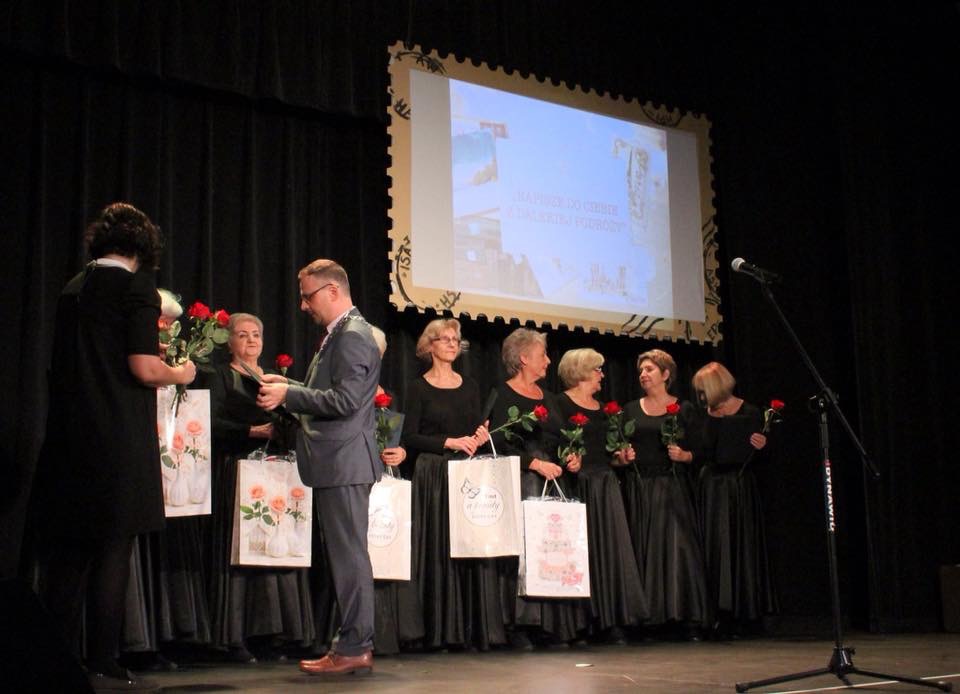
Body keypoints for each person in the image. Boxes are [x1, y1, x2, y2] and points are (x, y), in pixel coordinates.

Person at [34, 202, 196, 691]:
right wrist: (181, 373)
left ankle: (55, 660)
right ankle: (103, 660)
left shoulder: (74, 286)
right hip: (116, 435)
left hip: (69, 435)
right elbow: (143, 368)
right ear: (144, 248)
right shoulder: (135, 287)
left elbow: (89, 355)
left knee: (69, 555)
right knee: (112, 548)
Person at [257, 259, 381, 676]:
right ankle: (351, 644)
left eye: (308, 296)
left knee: (350, 559)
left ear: (332, 291)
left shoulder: (352, 336)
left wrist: (289, 396)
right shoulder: (342, 334)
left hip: (345, 462)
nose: (303, 306)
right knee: (346, 558)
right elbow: (331, 394)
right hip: (339, 462)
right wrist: (289, 386)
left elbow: (345, 401)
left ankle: (355, 647)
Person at [204, 312, 314, 663]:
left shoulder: (273, 379)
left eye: (256, 334)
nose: (251, 340)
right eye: (243, 334)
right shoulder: (220, 375)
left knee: (276, 546)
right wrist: (252, 431)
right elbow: (208, 422)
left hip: (274, 471)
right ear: (228, 341)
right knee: (243, 550)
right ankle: (235, 636)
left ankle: (277, 634)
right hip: (237, 469)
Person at [400, 318, 499, 651]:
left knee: (466, 545)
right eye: (445, 339)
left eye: (456, 339)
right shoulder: (418, 387)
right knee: (436, 548)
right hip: (432, 475)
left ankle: (465, 630)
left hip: (463, 473)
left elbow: (474, 430)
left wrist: (479, 437)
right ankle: (434, 631)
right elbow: (410, 436)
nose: (452, 343)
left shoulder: (470, 386)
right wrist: (449, 442)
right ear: (429, 346)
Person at [487, 328, 588, 649]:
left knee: (554, 553)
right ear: (523, 358)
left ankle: (554, 625)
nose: (548, 361)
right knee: (525, 553)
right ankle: (522, 625)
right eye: (542, 355)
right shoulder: (501, 394)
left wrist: (571, 457)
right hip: (522, 481)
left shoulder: (548, 398)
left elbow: (561, 438)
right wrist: (533, 463)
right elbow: (495, 444)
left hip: (553, 481)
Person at [555, 348, 648, 644]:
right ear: (581, 371)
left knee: (608, 551)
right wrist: (568, 459)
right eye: (597, 369)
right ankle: (579, 622)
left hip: (605, 485)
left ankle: (611, 620)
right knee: (577, 554)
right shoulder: (560, 404)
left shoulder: (607, 409)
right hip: (577, 486)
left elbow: (612, 456)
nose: (602, 375)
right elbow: (555, 444)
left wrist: (622, 458)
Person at [620, 349, 708, 639]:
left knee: (677, 550)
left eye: (650, 369)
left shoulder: (683, 409)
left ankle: (685, 616)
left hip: (672, 487)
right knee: (645, 549)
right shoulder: (630, 410)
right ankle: (648, 618)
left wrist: (685, 456)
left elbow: (702, 450)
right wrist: (623, 457)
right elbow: (619, 449)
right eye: (641, 370)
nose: (643, 374)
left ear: (666, 374)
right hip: (641, 487)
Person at [692, 361, 778, 638]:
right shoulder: (702, 414)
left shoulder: (750, 412)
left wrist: (763, 445)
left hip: (739, 486)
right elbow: (700, 452)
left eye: (703, 389)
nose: (701, 395)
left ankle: (748, 612)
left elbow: (764, 457)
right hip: (712, 487)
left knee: (743, 546)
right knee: (715, 548)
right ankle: (718, 614)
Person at [368, 325, 425, 654]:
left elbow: (401, 438)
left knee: (389, 546)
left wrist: (401, 451)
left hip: (386, 477)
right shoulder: (340, 387)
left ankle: (394, 632)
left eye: (376, 353)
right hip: (356, 476)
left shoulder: (386, 392)